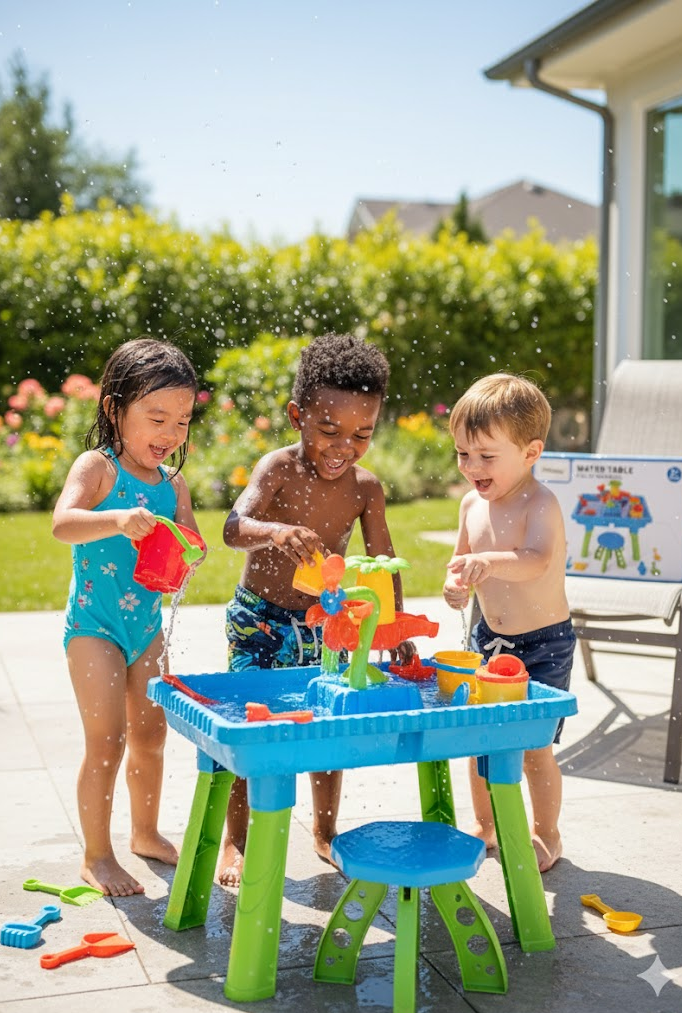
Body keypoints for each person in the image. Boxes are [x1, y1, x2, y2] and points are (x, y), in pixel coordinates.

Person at [219, 332, 414, 885]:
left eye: (361, 434)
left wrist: (394, 626)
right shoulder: (277, 469)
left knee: (328, 729)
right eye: (329, 430)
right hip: (260, 619)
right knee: (251, 728)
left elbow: (383, 561)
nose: (343, 447)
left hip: (326, 625)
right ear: (296, 416)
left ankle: (325, 833)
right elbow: (233, 528)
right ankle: (235, 841)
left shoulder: (365, 489)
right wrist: (275, 532)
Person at [52, 338, 203, 897]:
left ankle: (145, 832)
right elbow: (63, 523)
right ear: (115, 409)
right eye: (157, 418)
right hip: (94, 627)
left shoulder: (173, 484)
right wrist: (117, 519)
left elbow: (189, 540)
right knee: (107, 741)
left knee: (151, 734)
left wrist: (190, 552)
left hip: (146, 627)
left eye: (182, 421)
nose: (170, 433)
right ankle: (97, 856)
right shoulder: (99, 468)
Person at [442, 372, 575, 872]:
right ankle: (485, 824)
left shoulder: (541, 504)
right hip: (489, 639)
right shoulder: (470, 504)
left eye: (486, 456)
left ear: (531, 452)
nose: (471, 467)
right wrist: (456, 586)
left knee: (534, 747)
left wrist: (489, 562)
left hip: (543, 644)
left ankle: (546, 833)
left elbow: (536, 560)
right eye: (463, 454)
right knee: (480, 739)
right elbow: (460, 563)